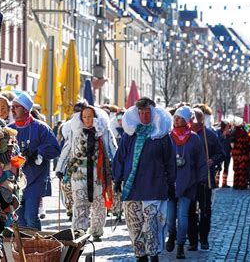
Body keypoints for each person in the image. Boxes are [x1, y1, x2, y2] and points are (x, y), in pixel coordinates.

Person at [112, 97, 175, 262]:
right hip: (132, 188)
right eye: (141, 113)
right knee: (134, 224)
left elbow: (170, 162)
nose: (144, 116)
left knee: (152, 225)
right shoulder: (129, 134)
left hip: (154, 186)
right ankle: (140, 255)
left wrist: (171, 184)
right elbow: (121, 157)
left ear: (154, 113)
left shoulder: (161, 135)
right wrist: (117, 179)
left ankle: (153, 254)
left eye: (148, 113)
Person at [58, 104, 116, 241]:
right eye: (84, 117)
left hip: (99, 173)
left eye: (90, 117)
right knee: (79, 201)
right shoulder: (74, 131)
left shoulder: (104, 132)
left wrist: (116, 169)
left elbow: (113, 149)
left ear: (95, 117)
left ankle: (96, 231)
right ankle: (79, 231)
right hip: (79, 172)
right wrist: (60, 168)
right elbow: (67, 149)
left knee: (99, 203)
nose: (87, 120)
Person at [8, 92, 60, 230]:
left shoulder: (41, 128)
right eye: (12, 107)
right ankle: (23, 249)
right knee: (18, 219)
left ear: (25, 109)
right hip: (15, 181)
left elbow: (55, 149)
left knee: (31, 217)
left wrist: (38, 152)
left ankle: (35, 246)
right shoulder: (9, 129)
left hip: (35, 179)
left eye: (16, 107)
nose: (12, 110)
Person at [166, 106, 208, 259]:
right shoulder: (168, 136)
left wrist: (202, 180)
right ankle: (171, 235)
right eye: (175, 117)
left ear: (186, 120)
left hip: (188, 183)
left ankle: (180, 246)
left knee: (183, 215)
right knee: (170, 217)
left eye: (180, 118)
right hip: (170, 183)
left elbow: (201, 161)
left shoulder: (194, 138)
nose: (176, 120)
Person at [187, 108, 225, 251]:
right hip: (190, 179)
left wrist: (212, 160)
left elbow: (221, 153)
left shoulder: (210, 135)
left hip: (206, 178)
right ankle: (192, 240)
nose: (191, 121)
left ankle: (203, 239)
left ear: (201, 120)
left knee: (205, 209)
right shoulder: (186, 136)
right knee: (190, 209)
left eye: (194, 118)